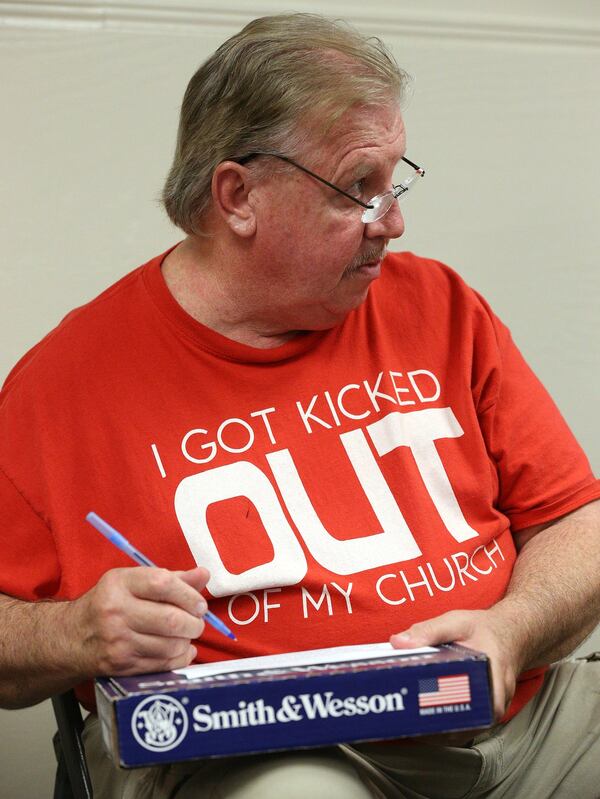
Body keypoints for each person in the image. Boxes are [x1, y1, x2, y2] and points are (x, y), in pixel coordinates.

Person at [1, 12, 599, 799]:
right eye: (359, 187)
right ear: (238, 194)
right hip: (251, 750)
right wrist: (74, 632)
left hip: (520, 720)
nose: (394, 220)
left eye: (397, 179)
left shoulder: (443, 307)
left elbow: (577, 521)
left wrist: (512, 630)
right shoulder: (61, 387)